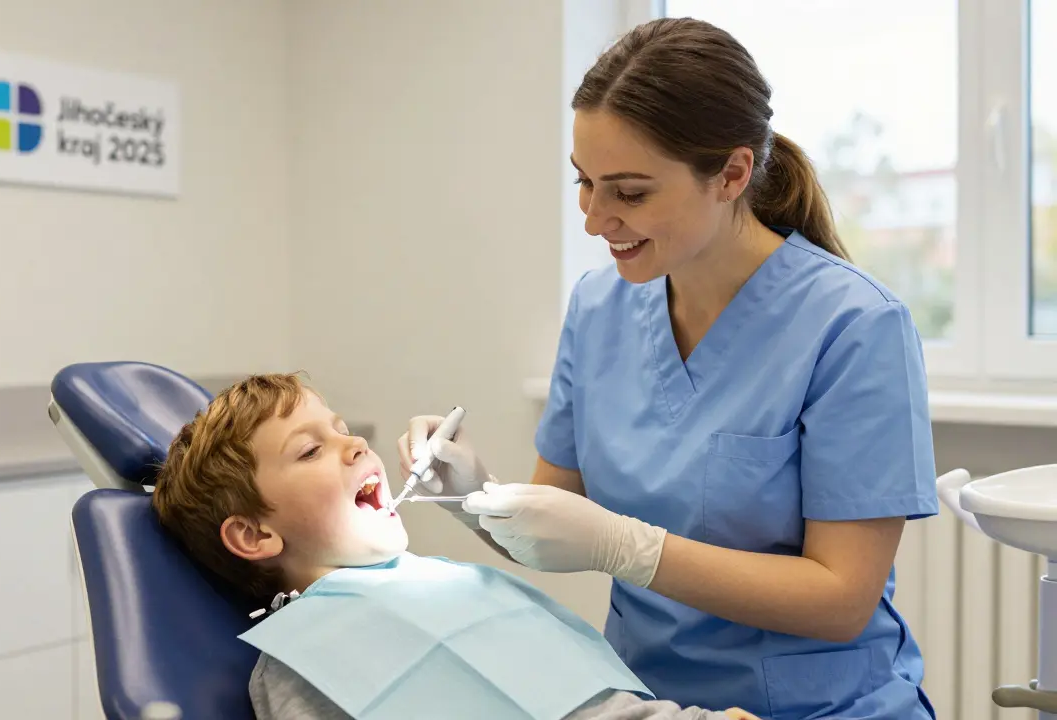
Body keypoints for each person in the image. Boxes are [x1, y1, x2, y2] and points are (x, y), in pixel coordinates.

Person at [398, 16, 938, 720]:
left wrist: (631, 548)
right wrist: (467, 495)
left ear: (733, 174)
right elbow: (548, 527)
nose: (595, 219)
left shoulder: (854, 326)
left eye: (630, 192)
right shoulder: (599, 310)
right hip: (648, 705)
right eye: (585, 183)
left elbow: (841, 600)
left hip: (820, 708)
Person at [152, 373, 759, 720]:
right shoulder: (303, 663)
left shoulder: (431, 582)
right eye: (310, 450)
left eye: (342, 429)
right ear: (255, 534)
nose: (355, 445)